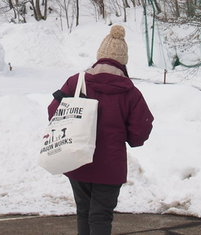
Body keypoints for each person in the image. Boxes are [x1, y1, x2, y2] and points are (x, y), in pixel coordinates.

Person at [48, 24, 154, 235]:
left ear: (99, 56)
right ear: (123, 61)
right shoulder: (130, 92)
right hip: (110, 165)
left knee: (83, 211)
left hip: (77, 159)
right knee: (101, 216)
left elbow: (53, 111)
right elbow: (139, 132)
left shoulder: (76, 82)